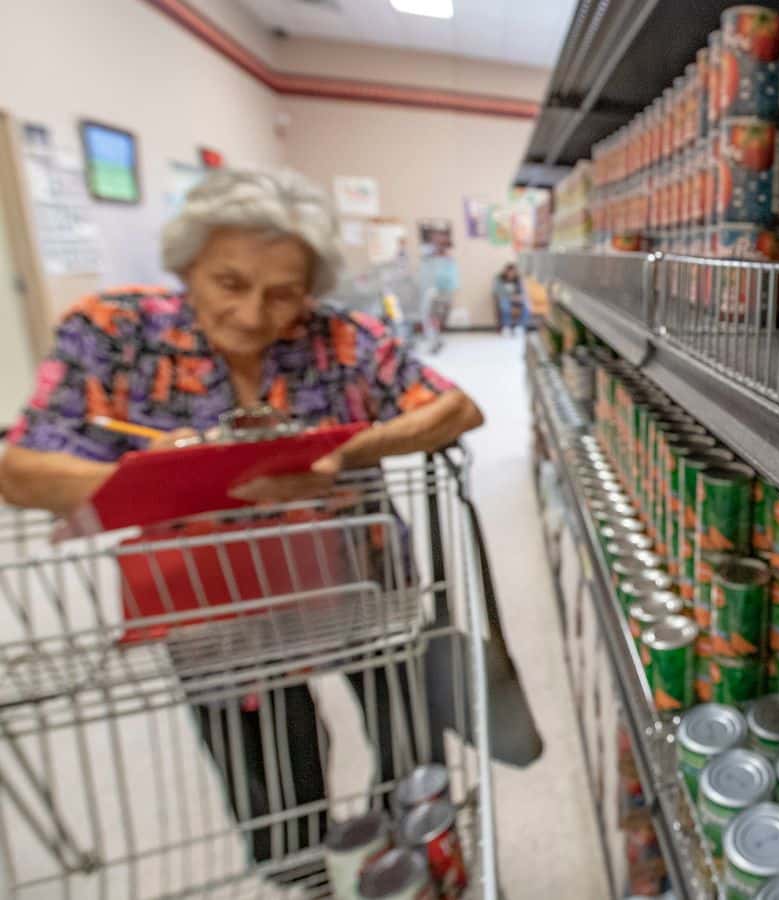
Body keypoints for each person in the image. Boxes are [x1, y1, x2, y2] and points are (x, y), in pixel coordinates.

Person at [0, 168, 484, 876]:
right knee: (277, 779)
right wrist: (161, 478)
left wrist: (343, 455)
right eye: (229, 283)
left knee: (405, 728)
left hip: (354, 578)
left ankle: (410, 854)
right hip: (210, 600)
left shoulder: (343, 338)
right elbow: (20, 468)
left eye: (282, 293)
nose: (255, 315)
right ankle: (308, 874)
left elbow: (455, 410)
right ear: (188, 266)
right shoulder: (114, 333)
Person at [494, 262, 530, 334]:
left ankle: (520, 326)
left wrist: (520, 297)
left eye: (513, 272)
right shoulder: (500, 280)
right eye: (509, 272)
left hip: (516, 300)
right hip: (505, 299)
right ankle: (506, 326)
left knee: (527, 305)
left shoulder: (518, 280)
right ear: (506, 272)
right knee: (505, 305)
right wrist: (510, 297)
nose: (511, 274)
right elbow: (498, 292)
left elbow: (523, 292)